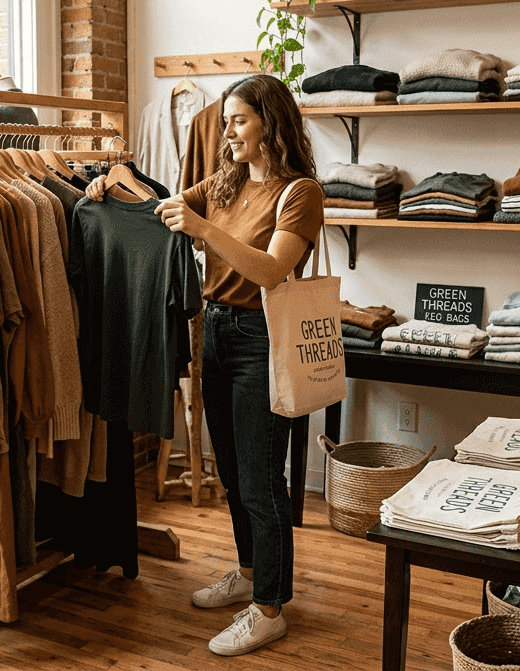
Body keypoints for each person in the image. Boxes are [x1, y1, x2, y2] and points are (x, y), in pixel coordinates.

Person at [86, 74, 324, 657]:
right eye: (228, 120)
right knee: (233, 473)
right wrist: (112, 184)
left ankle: (269, 608)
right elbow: (160, 206)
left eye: (240, 120)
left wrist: (203, 229)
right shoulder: (225, 182)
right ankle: (247, 574)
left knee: (262, 480)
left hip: (262, 337)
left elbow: (271, 271)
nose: (229, 130)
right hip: (213, 332)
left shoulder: (299, 193)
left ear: (271, 121)